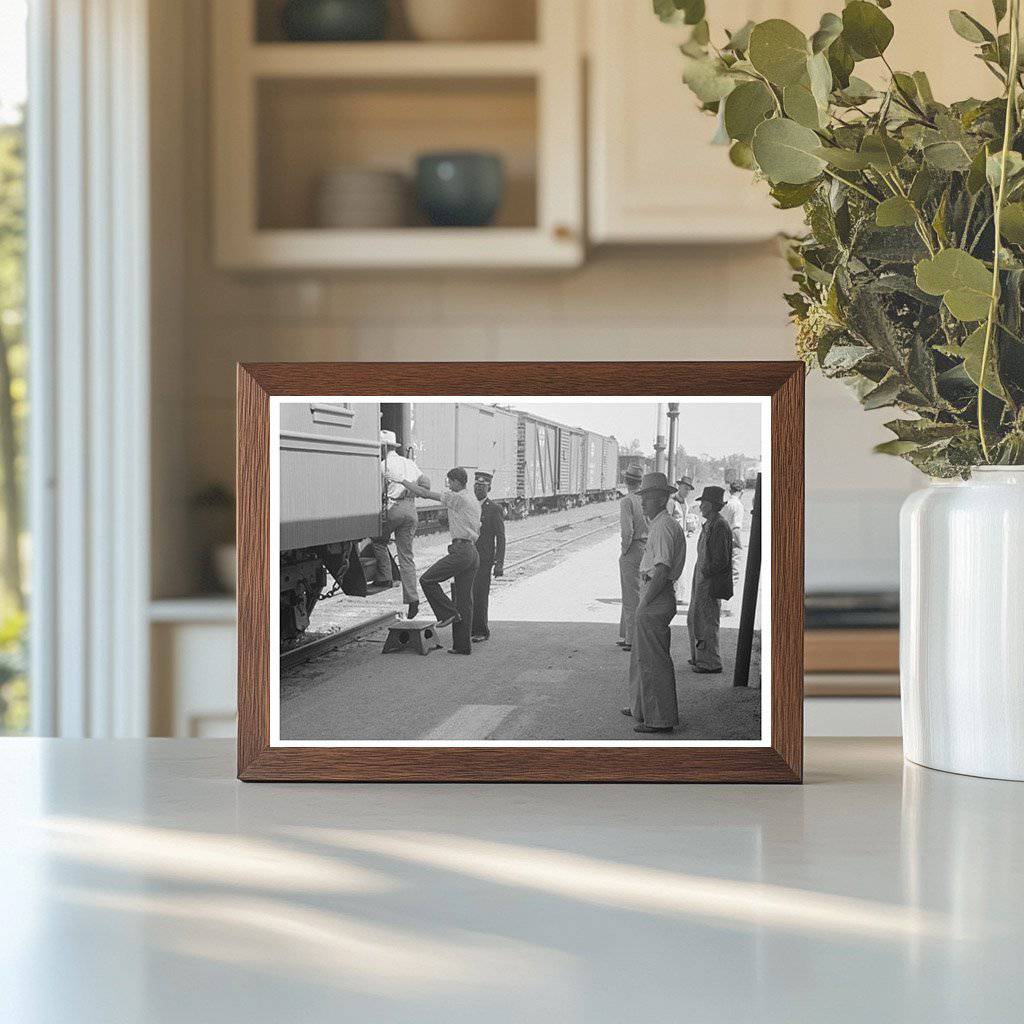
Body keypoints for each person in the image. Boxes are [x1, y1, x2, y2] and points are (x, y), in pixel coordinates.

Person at [621, 472, 687, 734]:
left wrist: (644, 603)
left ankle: (659, 719)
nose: (643, 503)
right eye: (642, 498)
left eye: (647, 498)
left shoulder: (662, 527)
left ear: (661, 499)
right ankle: (641, 708)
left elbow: (661, 570)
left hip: (655, 595)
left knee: (653, 661)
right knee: (641, 655)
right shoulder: (661, 523)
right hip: (654, 593)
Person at [401, 467, 480, 655]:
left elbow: (425, 494)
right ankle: (462, 646)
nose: (448, 485)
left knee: (427, 580)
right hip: (472, 552)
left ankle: (448, 613)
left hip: (461, 551)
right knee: (464, 601)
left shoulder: (458, 497)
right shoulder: (473, 500)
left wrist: (403, 481)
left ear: (456, 482)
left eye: (450, 481)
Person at [370, 429, 428, 619]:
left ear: (383, 447)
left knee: (379, 540)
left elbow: (377, 492)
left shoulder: (383, 465)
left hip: (393, 508)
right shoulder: (410, 463)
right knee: (406, 556)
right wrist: (413, 491)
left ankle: (385, 576)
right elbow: (426, 482)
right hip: (411, 509)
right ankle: (413, 599)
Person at [687, 485, 734, 674]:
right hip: (701, 576)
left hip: (709, 580)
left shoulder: (719, 525)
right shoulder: (711, 524)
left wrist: (706, 571)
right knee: (696, 618)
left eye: (703, 503)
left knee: (707, 621)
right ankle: (700, 657)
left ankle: (710, 662)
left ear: (712, 506)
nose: (700, 507)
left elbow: (721, 560)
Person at [471, 471, 506, 643]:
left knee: (480, 594)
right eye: (476, 485)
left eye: (482, 486)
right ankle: (468, 628)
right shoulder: (468, 504)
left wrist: (499, 563)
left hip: (484, 559)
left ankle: (481, 630)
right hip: (467, 556)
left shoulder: (494, 509)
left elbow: (500, 537)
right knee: (466, 593)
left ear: (489, 488)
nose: (478, 488)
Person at [617, 465, 648, 652]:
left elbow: (627, 531)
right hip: (646, 547)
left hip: (633, 548)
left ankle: (632, 639)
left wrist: (624, 550)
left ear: (627, 481)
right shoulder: (645, 499)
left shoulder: (627, 501)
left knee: (630, 596)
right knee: (638, 592)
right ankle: (627, 634)